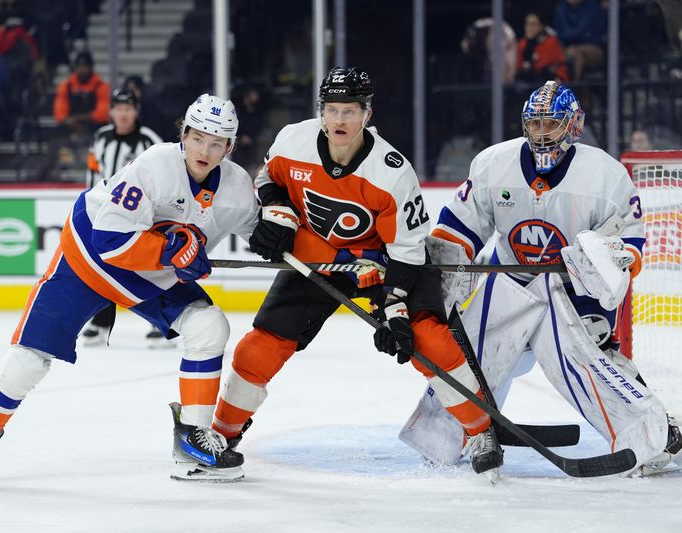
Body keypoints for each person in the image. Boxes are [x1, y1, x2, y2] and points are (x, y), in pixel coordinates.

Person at [0, 94, 260, 485]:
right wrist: (169, 250)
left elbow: (264, 234)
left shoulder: (236, 187)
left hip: (149, 274)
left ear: (229, 147)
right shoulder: (154, 167)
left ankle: (193, 444)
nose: (205, 150)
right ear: (183, 135)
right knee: (26, 361)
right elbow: (110, 239)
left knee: (208, 327)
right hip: (89, 260)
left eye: (217, 143)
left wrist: (289, 236)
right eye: (198, 138)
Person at [211, 67, 503, 478]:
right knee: (260, 346)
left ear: (367, 113)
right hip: (319, 258)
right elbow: (267, 180)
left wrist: (396, 309)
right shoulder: (293, 140)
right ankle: (222, 433)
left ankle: (479, 430)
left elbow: (406, 250)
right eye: (331, 110)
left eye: (349, 111)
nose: (339, 121)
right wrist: (278, 214)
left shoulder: (392, 171)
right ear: (321, 111)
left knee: (430, 342)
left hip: (385, 263)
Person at [400, 81, 681, 477]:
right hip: (508, 281)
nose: (543, 133)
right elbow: (455, 234)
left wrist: (603, 263)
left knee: (586, 363)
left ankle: (653, 436)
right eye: (535, 124)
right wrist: (437, 293)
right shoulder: (493, 164)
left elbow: (630, 247)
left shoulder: (605, 175)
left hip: (571, 292)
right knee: (470, 355)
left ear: (574, 125)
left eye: (552, 123)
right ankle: (444, 437)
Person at [80, 88, 168, 349]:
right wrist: (89, 204)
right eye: (118, 109)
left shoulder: (149, 140)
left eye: (128, 109)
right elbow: (93, 171)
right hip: (107, 212)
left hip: (143, 214)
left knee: (148, 265)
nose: (123, 114)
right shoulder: (101, 138)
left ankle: (159, 321)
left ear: (136, 112)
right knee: (102, 263)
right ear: (111, 112)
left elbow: (165, 175)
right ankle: (102, 319)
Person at [554, 0, 607, 82]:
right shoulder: (561, 8)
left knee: (575, 55)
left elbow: (581, 32)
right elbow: (560, 35)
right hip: (567, 47)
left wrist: (569, 37)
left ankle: (574, 89)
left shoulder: (592, 7)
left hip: (593, 47)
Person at [515, 12, 569, 84]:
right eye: (527, 24)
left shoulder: (551, 41)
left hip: (552, 80)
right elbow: (519, 66)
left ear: (541, 26)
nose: (529, 28)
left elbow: (543, 67)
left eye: (533, 24)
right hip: (531, 81)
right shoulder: (522, 44)